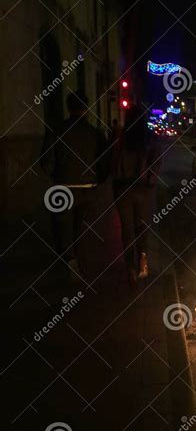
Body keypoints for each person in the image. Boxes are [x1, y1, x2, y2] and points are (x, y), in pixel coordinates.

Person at [41, 90, 108, 280]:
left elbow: (46, 162)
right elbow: (104, 162)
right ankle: (80, 262)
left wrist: (56, 175)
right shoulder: (95, 134)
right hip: (87, 189)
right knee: (82, 228)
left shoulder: (56, 131)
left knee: (62, 228)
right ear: (86, 109)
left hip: (63, 187)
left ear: (68, 108)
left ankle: (69, 261)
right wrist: (98, 180)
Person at [111, 106, 159, 285]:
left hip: (123, 189)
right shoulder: (150, 138)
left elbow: (113, 161)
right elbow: (156, 162)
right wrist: (150, 181)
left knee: (127, 229)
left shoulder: (120, 138)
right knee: (142, 227)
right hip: (143, 189)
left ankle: (130, 267)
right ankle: (143, 261)